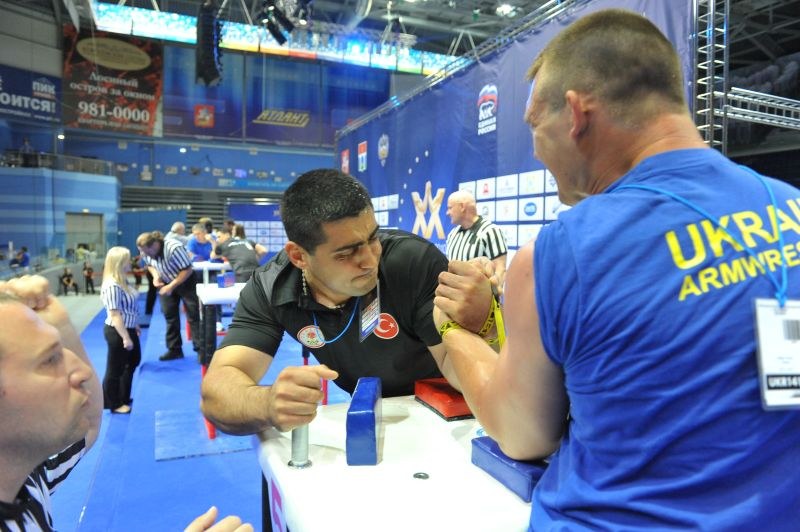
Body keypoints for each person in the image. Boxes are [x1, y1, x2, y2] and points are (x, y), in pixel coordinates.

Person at [433, 9, 800, 530]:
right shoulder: (791, 207)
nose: (536, 149)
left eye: (535, 126)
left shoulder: (561, 250)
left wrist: (458, 332)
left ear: (576, 114)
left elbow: (521, 434)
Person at [200, 169, 486, 435]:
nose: (370, 260)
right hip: (370, 420)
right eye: (345, 254)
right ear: (299, 256)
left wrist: (484, 321)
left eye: (373, 238)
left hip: (455, 418)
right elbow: (217, 391)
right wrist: (267, 403)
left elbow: (460, 368)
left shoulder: (412, 262)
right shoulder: (270, 287)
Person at [0, 276, 252, 532]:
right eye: (50, 360)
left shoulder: (24, 481)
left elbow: (88, 425)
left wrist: (60, 325)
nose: (83, 373)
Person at [136, 231, 201, 361]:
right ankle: (175, 350)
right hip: (165, 280)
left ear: (154, 245)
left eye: (146, 252)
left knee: (193, 315)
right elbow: (150, 265)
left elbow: (187, 270)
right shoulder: (146, 251)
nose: (144, 255)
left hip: (186, 281)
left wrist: (172, 286)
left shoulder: (173, 248)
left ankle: (201, 350)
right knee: (170, 315)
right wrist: (156, 277)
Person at [100, 247, 141, 414]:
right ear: (119, 263)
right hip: (117, 331)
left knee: (132, 362)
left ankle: (123, 396)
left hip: (128, 327)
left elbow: (129, 308)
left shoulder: (123, 281)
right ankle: (114, 403)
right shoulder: (112, 285)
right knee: (115, 368)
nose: (129, 262)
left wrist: (135, 325)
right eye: (126, 259)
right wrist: (125, 337)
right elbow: (115, 314)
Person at [444, 189, 508, 291]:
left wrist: (492, 299)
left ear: (462, 207)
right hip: (454, 301)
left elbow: (500, 271)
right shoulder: (453, 234)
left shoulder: (490, 231)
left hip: (480, 304)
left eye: (450, 208)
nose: (447, 213)